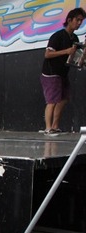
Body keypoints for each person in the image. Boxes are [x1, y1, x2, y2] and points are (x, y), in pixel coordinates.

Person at [40, 7, 85, 136]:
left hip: (63, 73)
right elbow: (47, 54)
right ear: (69, 20)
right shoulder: (57, 36)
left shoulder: (74, 37)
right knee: (52, 101)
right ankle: (48, 128)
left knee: (64, 99)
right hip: (51, 73)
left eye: (81, 21)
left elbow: (75, 56)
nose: (79, 23)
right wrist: (66, 51)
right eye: (77, 20)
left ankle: (55, 126)